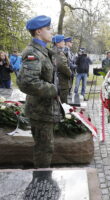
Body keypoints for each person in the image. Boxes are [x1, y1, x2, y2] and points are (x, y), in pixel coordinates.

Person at [17, 15, 62, 168]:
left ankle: (43, 176)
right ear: (38, 32)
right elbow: (27, 82)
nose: (51, 33)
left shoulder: (43, 51)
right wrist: (53, 89)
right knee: (44, 149)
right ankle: (42, 182)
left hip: (45, 108)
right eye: (48, 29)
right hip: (39, 110)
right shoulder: (33, 53)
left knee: (46, 147)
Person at [52, 35, 72, 104]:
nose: (64, 42)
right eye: (62, 41)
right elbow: (62, 66)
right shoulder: (58, 52)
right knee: (64, 103)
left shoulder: (53, 50)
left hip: (57, 80)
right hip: (62, 81)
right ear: (57, 43)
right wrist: (70, 73)